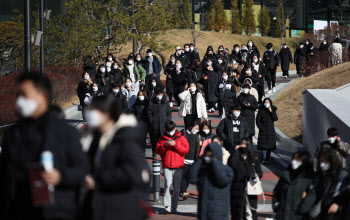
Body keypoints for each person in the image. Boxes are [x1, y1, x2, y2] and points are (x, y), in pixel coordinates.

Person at [0, 72, 88, 220]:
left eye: (25, 95)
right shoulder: (12, 134)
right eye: (18, 96)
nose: (20, 101)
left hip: (58, 211)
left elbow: (82, 169)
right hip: (21, 210)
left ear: (43, 97)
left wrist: (60, 176)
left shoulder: (66, 132)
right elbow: (5, 176)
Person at [83, 95, 146, 220]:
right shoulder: (93, 137)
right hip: (98, 206)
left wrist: (98, 180)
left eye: (93, 110)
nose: (89, 113)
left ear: (106, 114)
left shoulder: (125, 139)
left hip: (120, 208)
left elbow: (131, 173)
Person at [188, 142, 234, 220]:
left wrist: (214, 161)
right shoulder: (204, 171)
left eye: (210, 155)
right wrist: (200, 159)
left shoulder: (227, 170)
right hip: (203, 212)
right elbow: (191, 177)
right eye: (207, 154)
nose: (208, 157)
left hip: (218, 213)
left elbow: (222, 180)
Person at [156, 121, 189, 213]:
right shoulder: (162, 138)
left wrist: (175, 145)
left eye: (171, 130)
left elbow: (185, 150)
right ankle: (167, 207)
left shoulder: (181, 137)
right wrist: (164, 146)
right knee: (167, 184)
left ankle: (174, 207)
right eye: (168, 130)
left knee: (176, 187)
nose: (170, 132)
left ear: (175, 128)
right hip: (167, 165)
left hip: (178, 165)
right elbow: (158, 150)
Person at [273, 151, 317, 220]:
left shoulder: (309, 178)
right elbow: (276, 190)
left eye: (297, 160)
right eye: (294, 159)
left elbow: (312, 194)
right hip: (283, 214)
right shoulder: (285, 174)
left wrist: (303, 208)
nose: (294, 162)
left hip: (299, 216)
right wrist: (276, 205)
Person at [228, 139, 263, 220]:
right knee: (237, 212)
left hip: (251, 188)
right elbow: (231, 167)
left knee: (251, 212)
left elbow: (259, 171)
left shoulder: (254, 157)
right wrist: (235, 152)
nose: (242, 146)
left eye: (244, 144)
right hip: (237, 189)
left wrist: (256, 176)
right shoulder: (235, 156)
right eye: (241, 144)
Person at [313, 148, 350, 220]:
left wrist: (337, 204)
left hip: (335, 212)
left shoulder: (342, 174)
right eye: (321, 162)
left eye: (324, 162)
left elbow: (344, 193)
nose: (322, 164)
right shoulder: (322, 174)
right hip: (323, 210)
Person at [147, 89, 172, 158]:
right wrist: (151, 120)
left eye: (160, 94)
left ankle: (163, 154)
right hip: (154, 126)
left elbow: (169, 112)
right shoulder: (152, 103)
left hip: (164, 126)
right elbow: (149, 113)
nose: (159, 96)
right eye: (158, 94)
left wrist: (168, 120)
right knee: (154, 141)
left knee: (163, 142)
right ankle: (154, 153)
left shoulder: (165, 104)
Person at [180, 121, 201, 200]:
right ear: (190, 127)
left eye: (198, 129)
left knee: (188, 177)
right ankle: (183, 191)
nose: (196, 130)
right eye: (195, 128)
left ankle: (183, 190)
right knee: (183, 176)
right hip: (184, 159)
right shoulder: (183, 134)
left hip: (193, 160)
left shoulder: (197, 135)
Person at [256, 98, 278, 162]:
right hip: (263, 130)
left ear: (270, 103)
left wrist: (271, 111)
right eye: (265, 102)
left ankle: (267, 158)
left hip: (270, 130)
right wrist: (260, 127)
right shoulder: (261, 111)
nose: (266, 103)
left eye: (268, 102)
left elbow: (275, 118)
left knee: (270, 146)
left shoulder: (272, 110)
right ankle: (264, 157)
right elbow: (258, 120)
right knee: (263, 146)